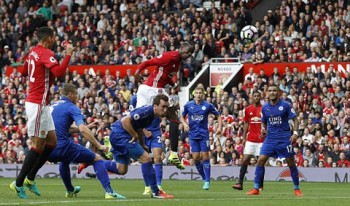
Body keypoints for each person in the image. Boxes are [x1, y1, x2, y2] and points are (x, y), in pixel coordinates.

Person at [10, 27, 74, 199]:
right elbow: (59, 73)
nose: (54, 40)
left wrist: (39, 75)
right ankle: (18, 183)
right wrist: (68, 55)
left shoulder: (33, 52)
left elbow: (23, 72)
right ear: (50, 38)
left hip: (42, 104)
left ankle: (30, 178)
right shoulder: (45, 52)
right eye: (53, 37)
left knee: (52, 142)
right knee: (37, 146)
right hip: (37, 103)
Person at [47, 83, 125, 199]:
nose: (77, 98)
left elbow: (66, 128)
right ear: (70, 95)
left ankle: (70, 191)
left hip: (48, 148)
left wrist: (86, 126)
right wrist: (99, 145)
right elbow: (83, 130)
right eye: (76, 95)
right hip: (62, 146)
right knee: (97, 159)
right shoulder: (71, 107)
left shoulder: (53, 105)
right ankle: (109, 192)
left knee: (64, 160)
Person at [134, 42, 194, 170]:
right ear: (181, 48)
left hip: (146, 89)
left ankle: (112, 144)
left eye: (190, 53)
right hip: (154, 90)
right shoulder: (170, 56)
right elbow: (148, 62)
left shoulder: (176, 61)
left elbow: (164, 76)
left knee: (135, 119)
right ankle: (173, 153)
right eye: (187, 51)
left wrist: (172, 85)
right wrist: (137, 73)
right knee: (174, 117)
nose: (188, 54)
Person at [108, 93, 173, 198]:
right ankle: (156, 192)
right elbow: (125, 121)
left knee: (121, 170)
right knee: (146, 158)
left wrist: (142, 144)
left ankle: (97, 162)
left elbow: (138, 127)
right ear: (155, 106)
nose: (165, 109)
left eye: (166, 107)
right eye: (163, 107)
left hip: (119, 135)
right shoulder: (147, 111)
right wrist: (134, 136)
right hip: (120, 135)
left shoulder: (153, 115)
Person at [246, 84, 303, 196]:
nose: (272, 92)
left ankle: (296, 189)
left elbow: (296, 120)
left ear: (278, 92)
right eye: (270, 90)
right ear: (267, 93)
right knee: (261, 160)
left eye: (274, 91)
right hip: (270, 139)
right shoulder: (265, 107)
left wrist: (295, 133)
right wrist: (263, 129)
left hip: (284, 138)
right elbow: (264, 121)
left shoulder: (286, 105)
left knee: (290, 162)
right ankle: (256, 189)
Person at [180, 85, 222, 190]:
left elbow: (218, 115)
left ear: (203, 94)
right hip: (193, 135)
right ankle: (204, 177)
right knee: (195, 158)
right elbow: (181, 116)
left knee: (205, 156)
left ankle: (207, 181)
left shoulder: (207, 105)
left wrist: (220, 127)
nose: (198, 95)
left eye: (200, 93)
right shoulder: (188, 105)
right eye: (197, 93)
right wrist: (185, 124)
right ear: (194, 94)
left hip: (204, 135)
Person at [232, 91, 264, 190]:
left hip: (261, 140)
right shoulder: (247, 109)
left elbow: (267, 122)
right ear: (252, 97)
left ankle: (260, 184)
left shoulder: (264, 109)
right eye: (255, 96)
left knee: (260, 162)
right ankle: (240, 184)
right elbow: (246, 123)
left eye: (258, 96)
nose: (256, 97)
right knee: (245, 159)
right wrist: (244, 137)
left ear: (260, 97)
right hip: (250, 139)